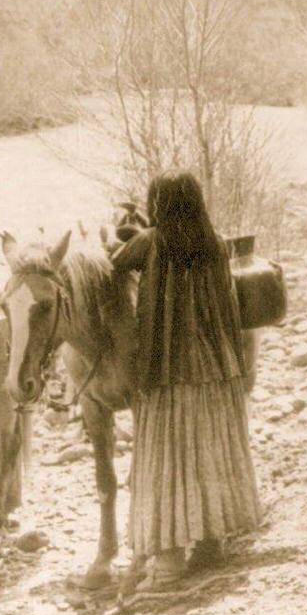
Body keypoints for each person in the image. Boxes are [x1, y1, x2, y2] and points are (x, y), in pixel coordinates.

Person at [111, 171, 262, 588]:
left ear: (157, 204)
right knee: (211, 455)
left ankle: (170, 559)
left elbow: (115, 263)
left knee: (170, 460)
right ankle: (213, 542)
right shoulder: (214, 242)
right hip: (217, 367)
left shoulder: (152, 241)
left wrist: (125, 231)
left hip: (171, 369)